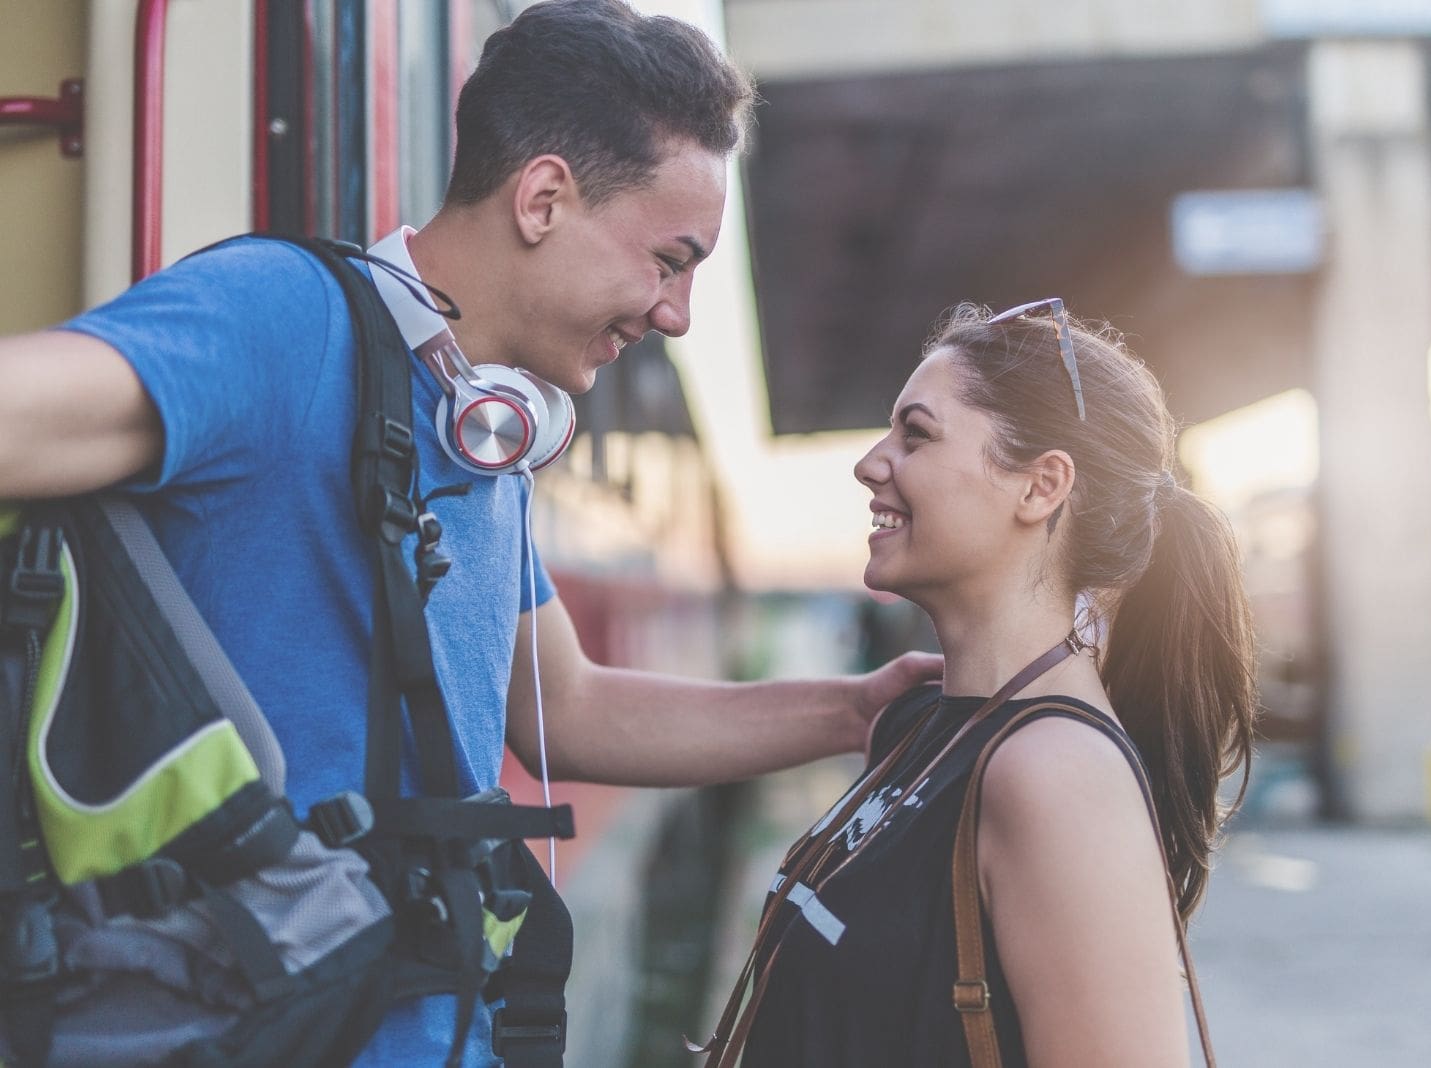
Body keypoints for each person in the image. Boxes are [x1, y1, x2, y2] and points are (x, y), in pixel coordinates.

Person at [0, 1, 938, 1063]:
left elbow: (567, 710)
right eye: (669, 260)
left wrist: (856, 711)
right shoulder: (280, 320)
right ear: (543, 196)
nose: (674, 310)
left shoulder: (480, 429)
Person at [709, 301, 1258, 1066]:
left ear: (1041, 487)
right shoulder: (919, 731)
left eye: (917, 434)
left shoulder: (1057, 775)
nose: (871, 463)